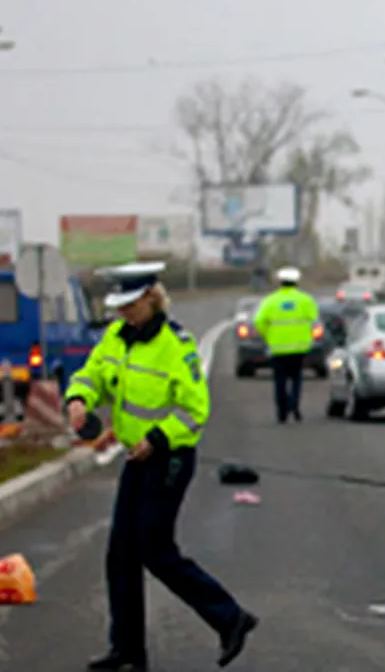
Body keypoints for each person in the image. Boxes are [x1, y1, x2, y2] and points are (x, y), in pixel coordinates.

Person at [65, 262, 257, 671]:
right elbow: (92, 375)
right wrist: (78, 399)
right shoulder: (117, 337)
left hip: (169, 458)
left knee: (154, 549)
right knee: (121, 553)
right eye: (120, 306)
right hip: (136, 458)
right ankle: (128, 650)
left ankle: (230, 617)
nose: (124, 313)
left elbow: (195, 411)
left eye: (131, 305)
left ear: (152, 298)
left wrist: (156, 439)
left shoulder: (177, 345)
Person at [253, 266, 319, 423]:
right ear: (296, 282)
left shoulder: (270, 300)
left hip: (277, 347)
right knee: (296, 377)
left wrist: (268, 335)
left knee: (279, 381)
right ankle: (294, 403)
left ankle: (282, 411)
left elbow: (258, 321)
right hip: (299, 347)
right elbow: (314, 321)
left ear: (280, 282)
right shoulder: (306, 300)